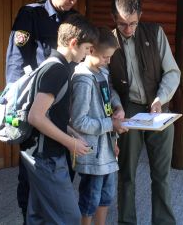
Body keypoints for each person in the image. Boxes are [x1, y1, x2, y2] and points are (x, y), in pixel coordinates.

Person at [4, 0, 83, 223]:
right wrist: (17, 104)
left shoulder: (75, 19)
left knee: (63, 168)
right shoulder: (31, 14)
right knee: (32, 173)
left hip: (62, 103)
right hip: (36, 104)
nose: (72, 0)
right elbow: (16, 61)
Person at [108, 0, 181, 225]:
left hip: (159, 110)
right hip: (128, 111)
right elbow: (107, 83)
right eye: (122, 24)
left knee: (161, 175)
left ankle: (164, 222)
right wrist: (117, 106)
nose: (128, 29)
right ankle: (127, 222)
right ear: (113, 18)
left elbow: (172, 72)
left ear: (140, 15)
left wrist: (160, 98)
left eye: (132, 23)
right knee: (126, 174)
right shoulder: (107, 42)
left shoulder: (155, 33)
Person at [24, 14, 98, 225]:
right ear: (74, 43)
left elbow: (51, 114)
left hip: (36, 153)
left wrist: (72, 132)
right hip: (46, 157)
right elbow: (36, 116)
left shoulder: (52, 63)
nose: (86, 55)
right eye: (85, 49)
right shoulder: (57, 70)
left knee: (38, 216)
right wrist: (70, 142)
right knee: (69, 219)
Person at [70, 27, 129, 225]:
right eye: (105, 57)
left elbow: (110, 94)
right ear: (91, 50)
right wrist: (110, 125)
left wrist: (118, 107)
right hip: (93, 153)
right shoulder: (82, 80)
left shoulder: (102, 71)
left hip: (107, 151)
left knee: (106, 196)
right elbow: (78, 121)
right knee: (89, 199)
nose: (109, 61)